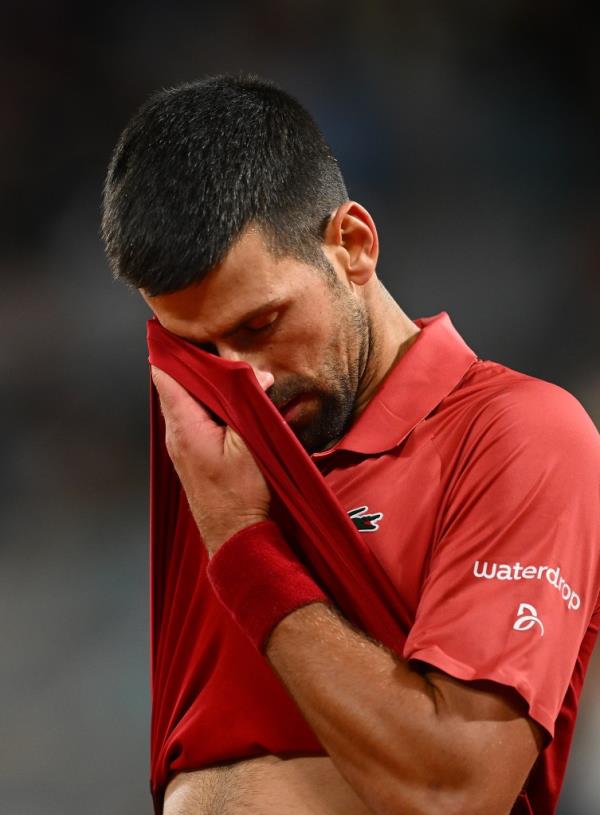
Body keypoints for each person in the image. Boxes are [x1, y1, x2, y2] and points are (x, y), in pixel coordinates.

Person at [101, 75, 600, 814]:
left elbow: (450, 793)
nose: (247, 382)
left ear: (353, 244)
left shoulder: (518, 435)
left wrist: (243, 545)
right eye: (200, 351)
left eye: (261, 324)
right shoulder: (219, 459)